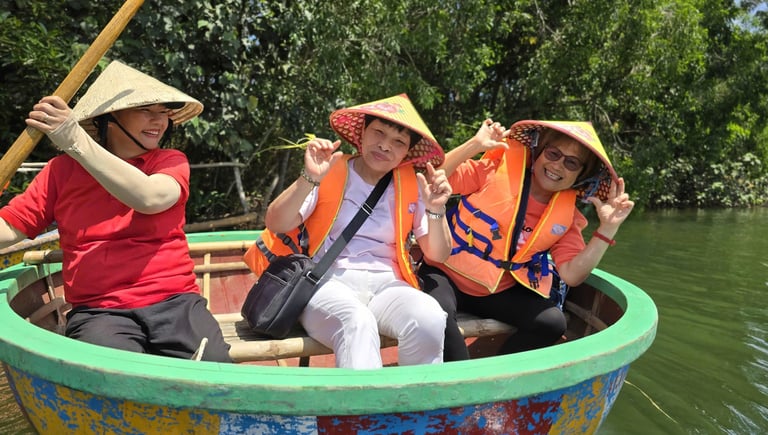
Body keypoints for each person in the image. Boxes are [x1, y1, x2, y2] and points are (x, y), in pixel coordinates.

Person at [0, 60, 231, 362]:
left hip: (175, 301)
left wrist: (74, 140)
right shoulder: (61, 171)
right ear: (110, 117)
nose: (158, 121)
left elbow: (149, 197)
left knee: (214, 371)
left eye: (163, 112)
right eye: (146, 110)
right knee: (111, 374)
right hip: (99, 310)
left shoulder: (170, 161)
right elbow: (11, 229)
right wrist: (75, 147)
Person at [244, 94, 452, 369]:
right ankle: (366, 412)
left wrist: (437, 210)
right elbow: (277, 222)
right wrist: (309, 177)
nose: (384, 145)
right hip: (327, 283)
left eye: (398, 142)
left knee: (431, 318)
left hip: (387, 285)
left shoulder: (413, 184)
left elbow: (438, 253)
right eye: (378, 132)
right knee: (357, 321)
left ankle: (414, 404)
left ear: (406, 153)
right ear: (362, 133)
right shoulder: (329, 169)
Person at [418, 119, 634, 361]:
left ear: (580, 175)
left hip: (497, 290)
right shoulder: (493, 169)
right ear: (539, 152)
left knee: (552, 322)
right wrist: (474, 145)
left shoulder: (567, 215)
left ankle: (496, 376)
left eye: (571, 163)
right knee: (437, 315)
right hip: (445, 273)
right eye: (553, 154)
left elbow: (572, 275)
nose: (558, 166)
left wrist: (608, 230)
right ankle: (463, 381)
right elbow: (432, 178)